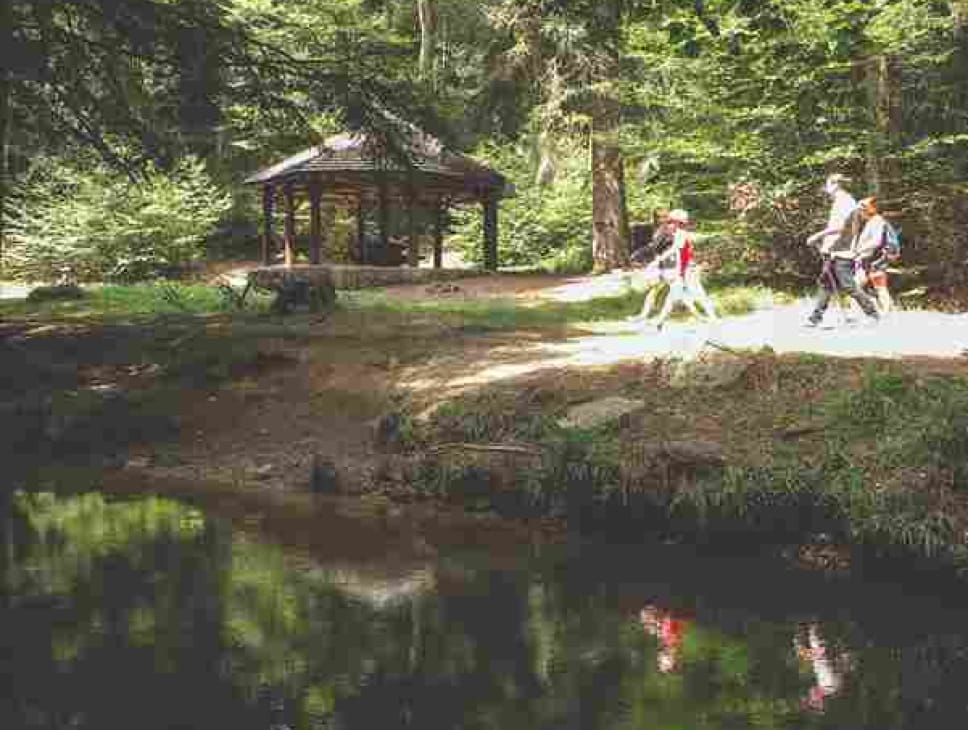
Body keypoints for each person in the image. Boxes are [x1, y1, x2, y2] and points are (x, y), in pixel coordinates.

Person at [804, 177, 879, 327]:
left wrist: (817, 236)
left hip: (843, 251)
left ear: (835, 185)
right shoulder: (842, 201)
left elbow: (841, 227)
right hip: (833, 251)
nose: (826, 188)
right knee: (826, 284)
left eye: (828, 185)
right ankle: (815, 317)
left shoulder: (845, 202)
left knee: (848, 285)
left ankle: (873, 313)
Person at [648, 208, 718, 330]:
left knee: (699, 294)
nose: (669, 224)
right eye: (669, 222)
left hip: (688, 270)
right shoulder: (678, 233)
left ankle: (713, 319)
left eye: (671, 221)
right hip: (682, 270)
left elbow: (674, 249)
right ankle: (659, 321)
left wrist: (657, 261)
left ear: (677, 222)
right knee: (673, 296)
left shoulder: (681, 234)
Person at [851, 197, 895, 314]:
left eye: (862, 209)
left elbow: (876, 241)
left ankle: (885, 313)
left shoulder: (877, 221)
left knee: (879, 286)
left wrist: (858, 250)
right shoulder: (870, 222)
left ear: (871, 209)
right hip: (867, 259)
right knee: (857, 285)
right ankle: (858, 312)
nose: (860, 212)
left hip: (876, 259)